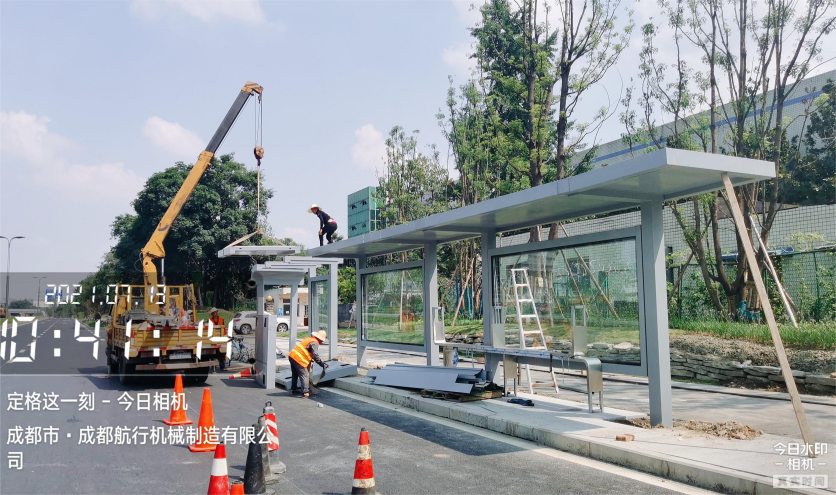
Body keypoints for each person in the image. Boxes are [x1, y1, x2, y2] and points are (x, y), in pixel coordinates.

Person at [287, 330, 329, 397]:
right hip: (299, 359)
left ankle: (294, 389)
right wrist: (321, 363)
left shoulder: (309, 339)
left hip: (292, 356)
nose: (322, 342)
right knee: (305, 375)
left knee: (295, 374)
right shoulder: (315, 343)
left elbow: (307, 351)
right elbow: (315, 355)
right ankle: (305, 392)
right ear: (321, 339)